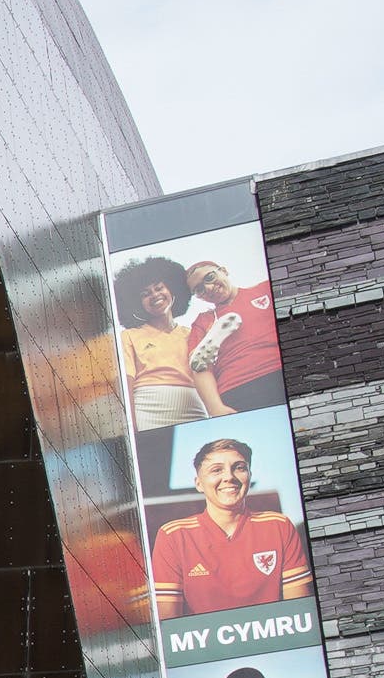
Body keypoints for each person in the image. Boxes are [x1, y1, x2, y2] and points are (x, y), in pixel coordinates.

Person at [141, 438, 312, 621]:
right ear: (198, 483)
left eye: (239, 467)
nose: (229, 477)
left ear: (249, 475)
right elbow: (169, 624)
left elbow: (299, 614)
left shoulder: (279, 526)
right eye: (216, 470)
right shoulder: (173, 536)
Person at [117, 256, 226, 428]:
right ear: (137, 304)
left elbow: (211, 378)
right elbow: (126, 385)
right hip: (147, 411)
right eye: (145, 294)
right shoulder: (129, 336)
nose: (154, 295)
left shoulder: (193, 334)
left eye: (159, 288)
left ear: (173, 291)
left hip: (194, 409)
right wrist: (133, 428)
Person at [183, 257, 284, 410]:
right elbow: (199, 369)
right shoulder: (203, 320)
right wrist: (216, 408)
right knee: (198, 361)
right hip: (235, 387)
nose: (208, 288)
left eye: (209, 278)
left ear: (223, 271)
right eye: (199, 289)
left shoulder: (264, 289)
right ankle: (215, 334)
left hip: (276, 372)